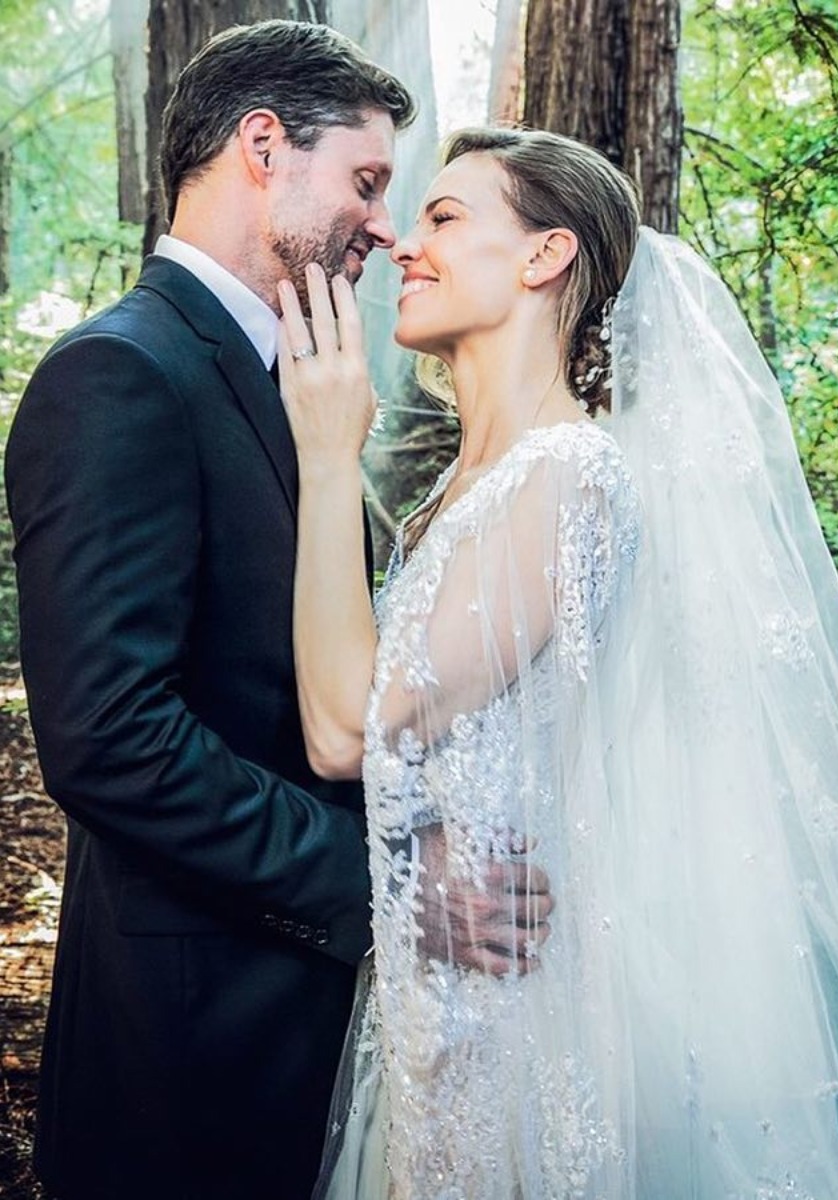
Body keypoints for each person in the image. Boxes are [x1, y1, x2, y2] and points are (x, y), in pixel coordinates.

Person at [278, 126, 838, 1198]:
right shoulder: (453, 496)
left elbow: (347, 731)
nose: (403, 248)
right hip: (438, 1006)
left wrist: (328, 457)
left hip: (521, 1025)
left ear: (544, 256)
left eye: (444, 218)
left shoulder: (572, 479)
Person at [4, 25, 549, 1200]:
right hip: (194, 1033)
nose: (382, 226)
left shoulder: (298, 383)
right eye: (363, 181)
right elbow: (110, 743)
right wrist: (390, 882)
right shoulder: (119, 374)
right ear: (263, 146)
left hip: (314, 1021)